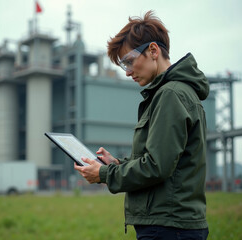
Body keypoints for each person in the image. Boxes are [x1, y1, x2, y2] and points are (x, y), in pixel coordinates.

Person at [74, 10, 209, 240]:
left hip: (167, 227)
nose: (127, 72)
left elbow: (157, 166)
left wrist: (106, 173)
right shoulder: (172, 93)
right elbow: (163, 161)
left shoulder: (171, 95)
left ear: (153, 50)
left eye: (129, 61)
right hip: (172, 224)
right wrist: (117, 164)